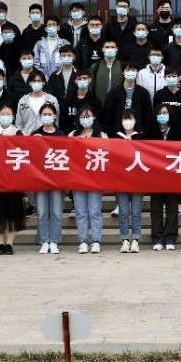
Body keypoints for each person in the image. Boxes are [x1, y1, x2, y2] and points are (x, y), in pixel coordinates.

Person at [0, 106, 25, 255]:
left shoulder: (18, 132)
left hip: (13, 180)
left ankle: (9, 243)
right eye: (3, 114)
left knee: (13, 212)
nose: (5, 116)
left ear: (13, 117)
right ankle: (0, 243)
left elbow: (23, 151)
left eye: (8, 114)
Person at [143, 103, 181, 251]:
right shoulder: (150, 130)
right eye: (160, 113)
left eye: (165, 113)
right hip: (156, 175)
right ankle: (157, 237)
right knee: (156, 208)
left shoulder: (177, 130)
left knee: (172, 207)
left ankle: (170, 237)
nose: (162, 115)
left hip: (173, 174)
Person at [70, 107, 107, 254]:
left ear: (94, 117)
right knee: (81, 212)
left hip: (95, 180)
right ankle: (83, 241)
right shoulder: (73, 134)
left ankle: (96, 240)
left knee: (94, 211)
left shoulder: (102, 135)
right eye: (82, 116)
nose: (86, 119)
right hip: (78, 179)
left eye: (88, 116)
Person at [33, 106, 66, 254]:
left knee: (56, 212)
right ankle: (44, 241)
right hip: (40, 180)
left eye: (49, 114)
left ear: (55, 116)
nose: (47, 116)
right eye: (44, 114)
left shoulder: (61, 135)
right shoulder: (35, 134)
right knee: (41, 212)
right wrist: (34, 142)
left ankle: (54, 241)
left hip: (57, 180)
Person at [113, 111, 144, 252]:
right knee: (124, 211)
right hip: (120, 180)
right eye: (125, 118)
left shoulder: (141, 136)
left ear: (135, 120)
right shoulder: (115, 137)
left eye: (130, 118)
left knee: (136, 211)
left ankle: (135, 239)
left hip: (137, 181)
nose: (128, 121)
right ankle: (125, 240)